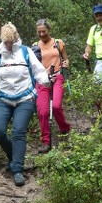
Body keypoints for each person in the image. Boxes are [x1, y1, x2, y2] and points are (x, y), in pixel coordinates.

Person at [0, 22, 51, 187]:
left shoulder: (26, 51)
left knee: (18, 131)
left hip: (25, 99)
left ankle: (17, 170)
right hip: (4, 98)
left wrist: (48, 80)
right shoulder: (0, 52)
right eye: (5, 42)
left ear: (15, 38)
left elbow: (39, 72)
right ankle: (14, 155)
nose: (8, 45)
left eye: (10, 42)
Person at [33, 18, 72, 153]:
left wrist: (66, 63)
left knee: (55, 106)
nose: (42, 34)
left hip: (57, 76)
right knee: (43, 111)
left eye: (44, 31)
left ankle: (64, 128)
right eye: (39, 32)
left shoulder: (58, 43)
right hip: (42, 79)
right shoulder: (35, 46)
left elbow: (66, 59)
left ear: (49, 30)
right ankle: (45, 141)